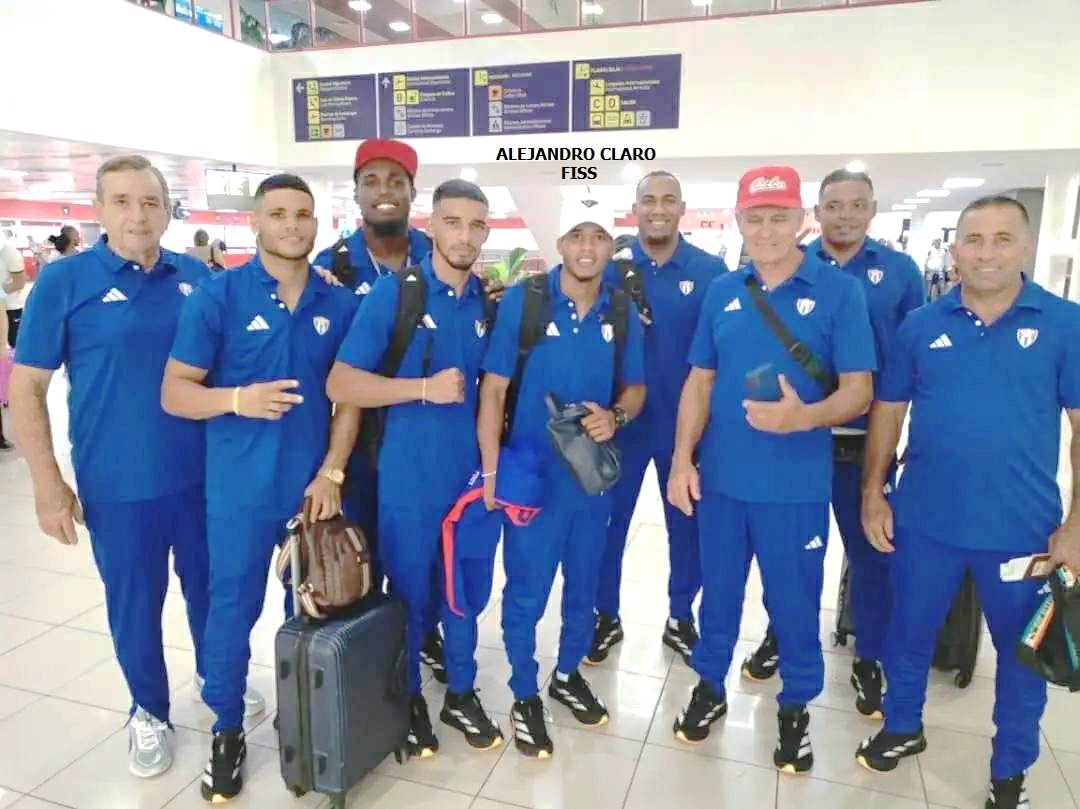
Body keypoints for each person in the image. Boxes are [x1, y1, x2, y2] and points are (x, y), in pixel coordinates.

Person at [855, 196, 1080, 809]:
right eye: (974, 240)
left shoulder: (1066, 324)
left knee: (1022, 658)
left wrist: (1077, 527)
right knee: (908, 632)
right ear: (954, 250)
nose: (986, 253)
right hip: (925, 519)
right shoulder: (921, 326)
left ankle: (1009, 773)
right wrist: (874, 491)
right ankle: (902, 726)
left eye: (1002, 239)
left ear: (1027, 246)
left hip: (1024, 529)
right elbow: (888, 413)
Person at [7, 154, 227, 779]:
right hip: (118, 485)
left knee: (211, 590)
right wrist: (48, 487)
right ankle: (148, 712)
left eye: (150, 201)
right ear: (99, 210)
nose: (138, 214)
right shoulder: (64, 282)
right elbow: (26, 391)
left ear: (166, 210)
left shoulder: (196, 277)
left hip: (202, 477)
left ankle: (217, 682)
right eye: (123, 201)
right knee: (135, 602)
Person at [667, 165, 874, 774]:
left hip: (795, 490)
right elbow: (699, 381)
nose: (765, 230)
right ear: (738, 221)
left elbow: (860, 391)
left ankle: (796, 709)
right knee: (720, 598)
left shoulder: (840, 293)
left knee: (794, 603)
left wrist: (802, 419)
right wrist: (682, 459)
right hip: (724, 484)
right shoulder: (723, 292)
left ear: (800, 220)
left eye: (778, 217)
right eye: (753, 218)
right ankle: (709, 688)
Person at [161, 173, 361, 803]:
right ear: (255, 222)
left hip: (313, 492)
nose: (292, 225)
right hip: (240, 490)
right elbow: (176, 392)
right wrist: (238, 398)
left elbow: (349, 396)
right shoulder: (218, 298)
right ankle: (226, 728)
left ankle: (306, 714)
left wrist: (332, 469)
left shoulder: (339, 304)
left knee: (313, 606)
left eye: (303, 213)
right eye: (278, 213)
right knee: (232, 609)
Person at [741, 169, 924, 720]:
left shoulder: (899, 273)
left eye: (857, 205)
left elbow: (913, 356)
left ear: (873, 209)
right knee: (789, 555)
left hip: (866, 440)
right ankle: (785, 635)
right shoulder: (786, 266)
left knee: (870, 554)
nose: (845, 216)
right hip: (795, 441)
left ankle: (868, 656)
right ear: (815, 212)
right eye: (834, 206)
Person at [326, 178, 495, 758]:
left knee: (466, 593)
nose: (465, 236)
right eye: (454, 222)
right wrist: (421, 388)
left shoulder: (484, 305)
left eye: (476, 225)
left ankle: (462, 691)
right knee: (411, 595)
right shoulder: (396, 296)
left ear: (486, 233)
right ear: (432, 225)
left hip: (468, 482)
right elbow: (340, 382)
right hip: (407, 479)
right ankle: (410, 698)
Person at [477, 197, 646, 759]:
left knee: (584, 584)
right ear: (560, 242)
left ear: (611, 244)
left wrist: (615, 416)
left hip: (590, 481)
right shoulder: (526, 303)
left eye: (599, 236)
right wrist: (492, 472)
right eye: (577, 235)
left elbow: (637, 390)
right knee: (526, 590)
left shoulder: (620, 310)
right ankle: (524, 691)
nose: (587, 248)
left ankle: (568, 672)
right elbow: (495, 389)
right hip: (531, 476)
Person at [312, 137, 446, 682]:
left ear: (413, 192)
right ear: (357, 192)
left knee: (422, 558)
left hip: (420, 441)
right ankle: (367, 657)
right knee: (355, 554)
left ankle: (421, 635)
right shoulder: (329, 268)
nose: (384, 192)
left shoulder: (436, 260)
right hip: (351, 448)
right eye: (372, 181)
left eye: (396, 182)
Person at [588, 171, 726, 667]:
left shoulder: (711, 272)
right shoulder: (610, 272)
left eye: (669, 199)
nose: (659, 208)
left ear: (682, 206)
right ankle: (604, 614)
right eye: (649, 200)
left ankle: (680, 615)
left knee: (686, 525)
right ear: (636, 208)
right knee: (609, 525)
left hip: (686, 426)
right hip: (623, 423)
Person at [1, 229, 27, 348]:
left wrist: (1, 292)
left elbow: (20, 282)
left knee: (14, 344)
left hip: (11, 308)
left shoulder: (9, 252)